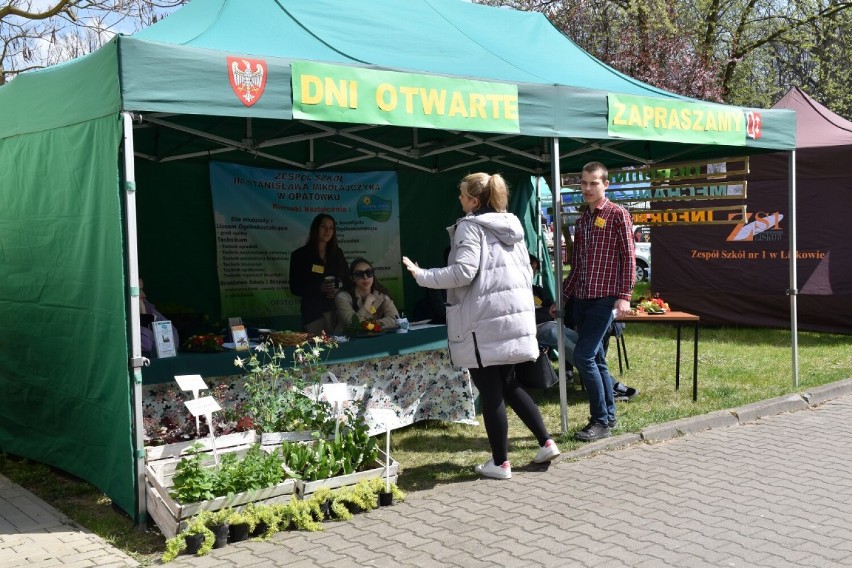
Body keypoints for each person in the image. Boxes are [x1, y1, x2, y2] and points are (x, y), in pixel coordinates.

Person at [403, 172, 560, 480]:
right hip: (509, 317)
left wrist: (423, 275)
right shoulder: (512, 226)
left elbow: (463, 273)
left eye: (462, 195)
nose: (459, 200)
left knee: (491, 391)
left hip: (483, 321)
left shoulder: (469, 227)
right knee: (509, 384)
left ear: (474, 201)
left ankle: (501, 463)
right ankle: (546, 442)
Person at [563, 161, 636, 442]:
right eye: (583, 183)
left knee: (583, 355)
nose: (588, 188)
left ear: (606, 184)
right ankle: (609, 415)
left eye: (594, 183)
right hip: (582, 299)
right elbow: (578, 267)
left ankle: (600, 420)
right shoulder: (582, 222)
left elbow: (628, 257)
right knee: (597, 358)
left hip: (605, 300)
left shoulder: (618, 214)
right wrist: (564, 297)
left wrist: (624, 296)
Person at [529, 255, 637, 401]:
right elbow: (533, 315)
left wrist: (546, 313)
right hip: (533, 330)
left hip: (550, 325)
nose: (532, 272)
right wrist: (546, 314)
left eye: (535, 269)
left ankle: (603, 382)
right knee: (568, 345)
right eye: (530, 267)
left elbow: (549, 309)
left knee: (581, 342)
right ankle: (607, 386)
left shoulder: (537, 290)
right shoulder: (517, 293)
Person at [289, 214, 349, 334]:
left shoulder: (338, 253)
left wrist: (339, 291)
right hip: (313, 314)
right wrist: (319, 288)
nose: (328, 231)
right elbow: (294, 287)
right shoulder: (299, 255)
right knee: (317, 350)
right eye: (323, 226)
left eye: (331, 227)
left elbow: (348, 280)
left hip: (337, 311)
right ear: (315, 229)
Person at [335, 258, 400, 331]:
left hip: (376, 338)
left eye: (369, 272)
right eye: (359, 274)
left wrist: (372, 325)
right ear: (352, 278)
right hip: (349, 339)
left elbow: (395, 319)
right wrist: (367, 303)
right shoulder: (342, 297)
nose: (365, 277)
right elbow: (353, 324)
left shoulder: (381, 295)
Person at [138, 277, 179, 354]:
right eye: (139, 290)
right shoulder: (119, 316)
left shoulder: (146, 306)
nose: (144, 295)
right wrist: (144, 317)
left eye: (142, 289)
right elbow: (145, 348)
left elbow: (172, 342)